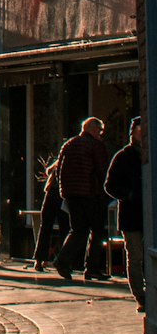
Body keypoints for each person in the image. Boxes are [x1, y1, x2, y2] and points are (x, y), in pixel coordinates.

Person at [54, 116, 110, 281]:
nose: (101, 135)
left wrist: (64, 190)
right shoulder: (95, 145)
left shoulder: (69, 144)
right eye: (99, 131)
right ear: (93, 130)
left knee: (78, 229)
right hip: (90, 193)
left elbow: (58, 169)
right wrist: (106, 191)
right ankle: (91, 267)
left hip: (71, 193)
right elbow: (102, 170)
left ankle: (63, 260)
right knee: (97, 230)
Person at [106, 115, 146, 310]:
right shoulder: (123, 157)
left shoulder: (150, 153)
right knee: (135, 256)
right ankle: (141, 295)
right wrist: (128, 195)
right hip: (132, 215)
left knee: (148, 256)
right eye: (139, 131)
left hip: (149, 215)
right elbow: (110, 185)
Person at [32, 157, 64, 271]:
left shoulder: (57, 164)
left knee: (45, 228)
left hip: (50, 194)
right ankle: (63, 260)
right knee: (65, 228)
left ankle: (39, 260)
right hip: (62, 196)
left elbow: (48, 171)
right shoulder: (71, 162)